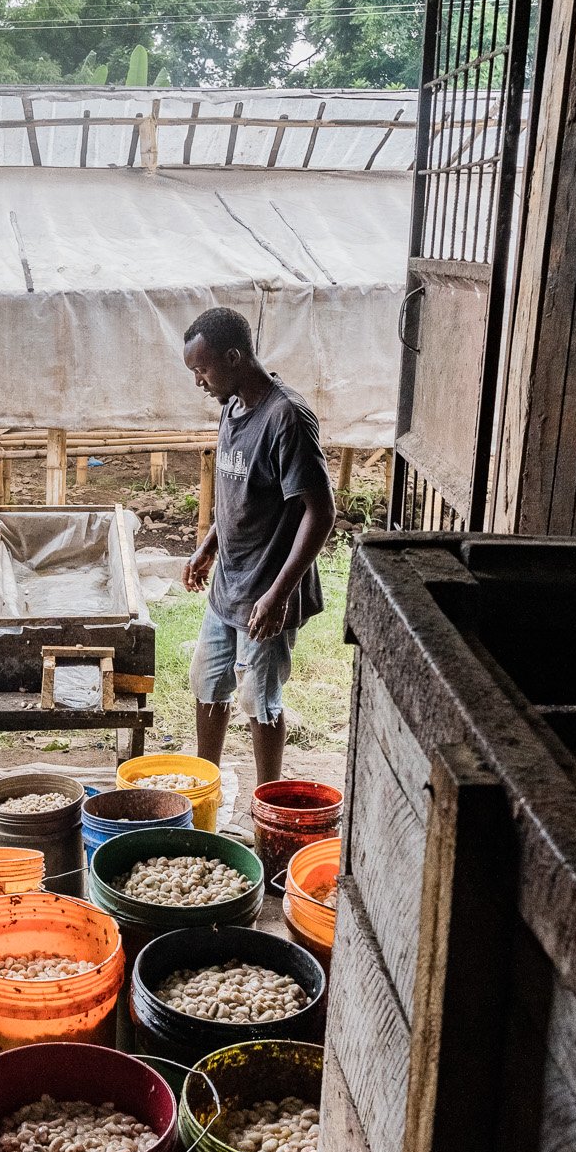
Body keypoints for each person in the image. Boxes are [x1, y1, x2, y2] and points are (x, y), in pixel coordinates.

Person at [179, 306, 336, 800]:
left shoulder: (286, 417)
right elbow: (236, 493)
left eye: (202, 370)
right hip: (229, 583)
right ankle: (207, 793)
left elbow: (321, 513)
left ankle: (268, 804)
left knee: (259, 699)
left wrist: (279, 594)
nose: (199, 382)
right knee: (208, 683)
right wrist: (207, 547)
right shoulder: (233, 407)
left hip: (267, 589)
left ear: (234, 356)